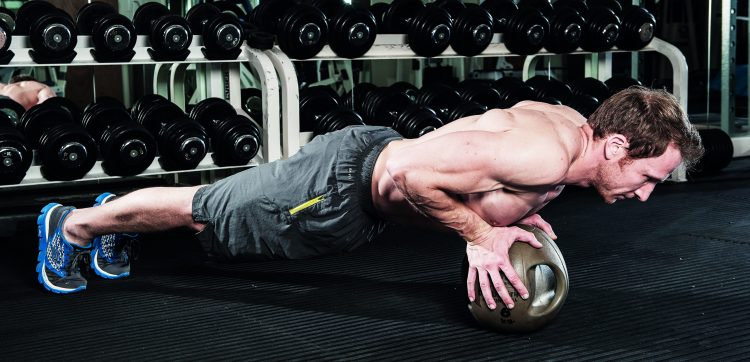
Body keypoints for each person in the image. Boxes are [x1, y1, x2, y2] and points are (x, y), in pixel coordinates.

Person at [36, 86, 704, 313]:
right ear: (617, 147)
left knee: (213, 216)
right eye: (649, 177)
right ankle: (76, 225)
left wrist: (513, 211)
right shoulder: (543, 152)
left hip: (358, 189)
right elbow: (414, 177)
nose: (646, 196)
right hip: (336, 188)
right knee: (205, 210)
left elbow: (479, 168)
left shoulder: (568, 129)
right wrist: (478, 234)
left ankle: (115, 216)